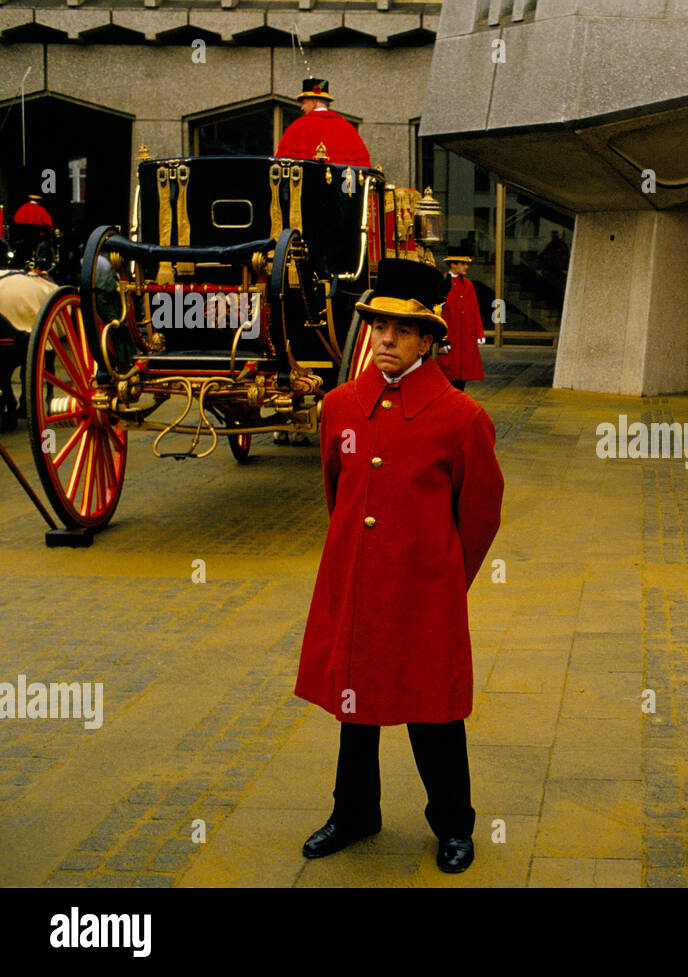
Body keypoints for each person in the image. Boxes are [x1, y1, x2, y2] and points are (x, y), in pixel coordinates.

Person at [295, 258, 504, 872]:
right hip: (356, 583)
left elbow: (481, 514)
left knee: (432, 709)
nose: (384, 338)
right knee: (354, 709)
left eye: (400, 329)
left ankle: (454, 824)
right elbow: (338, 493)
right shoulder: (339, 406)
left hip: (424, 592)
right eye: (377, 325)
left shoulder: (462, 419)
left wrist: (442, 577)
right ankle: (354, 811)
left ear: (429, 338)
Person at [275, 77, 372, 168]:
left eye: (304, 103)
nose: (302, 108)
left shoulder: (297, 127)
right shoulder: (348, 128)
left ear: (314, 102)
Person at [437, 255, 485, 390]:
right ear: (453, 265)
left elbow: (474, 308)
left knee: (463, 370)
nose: (466, 267)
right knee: (447, 368)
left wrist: (479, 332)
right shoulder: (442, 282)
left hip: (465, 334)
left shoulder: (468, 284)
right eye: (463, 264)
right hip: (450, 333)